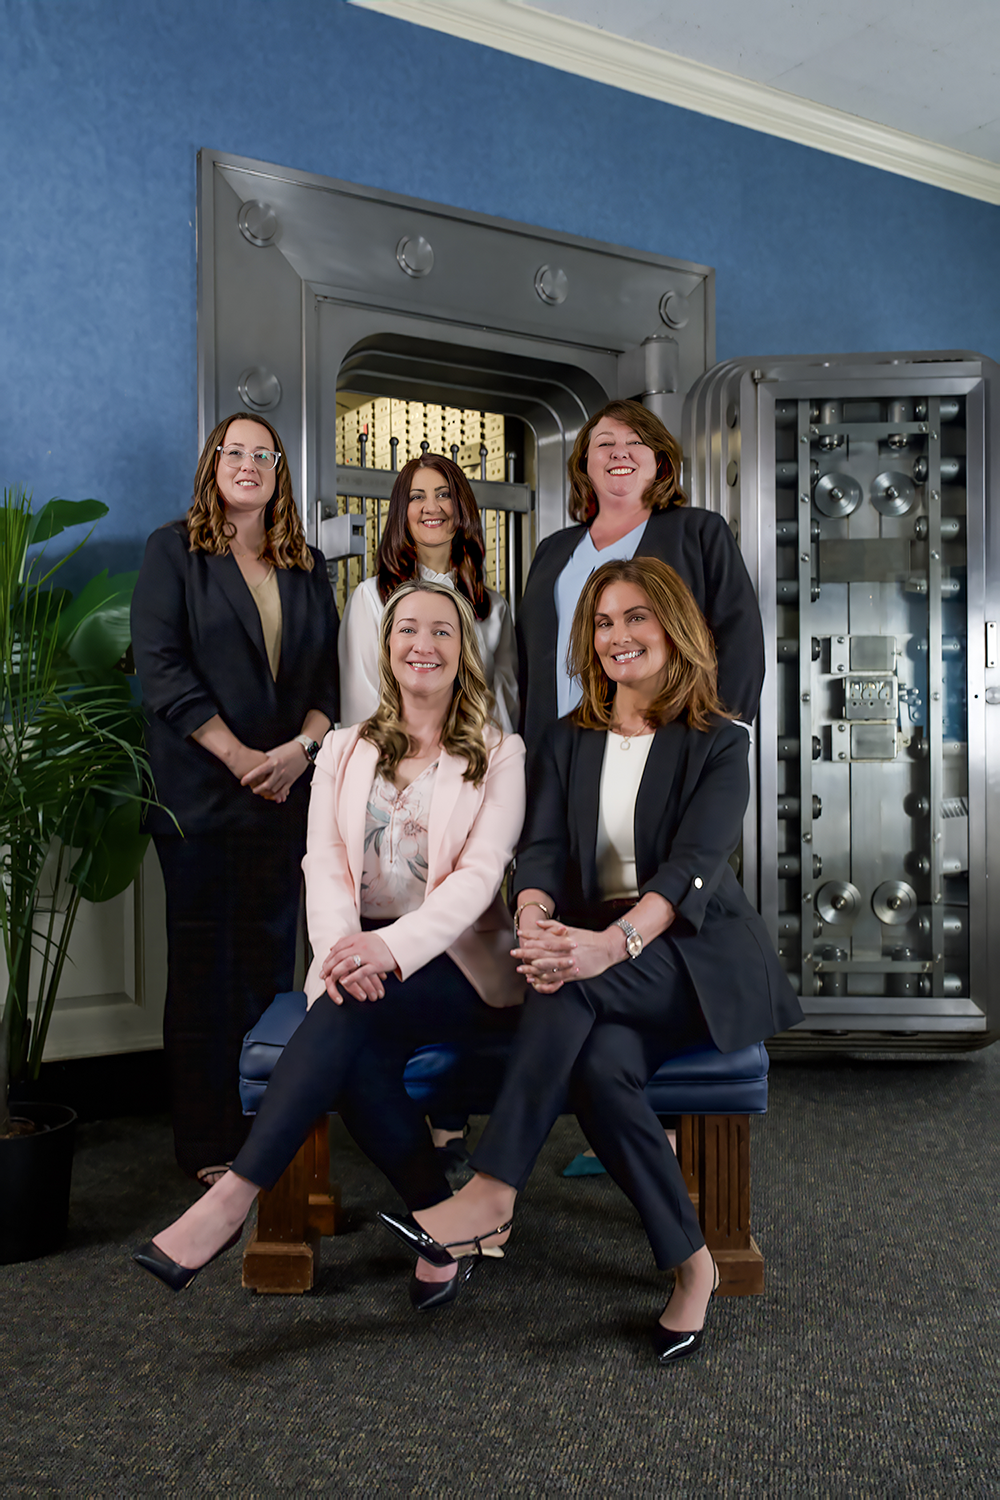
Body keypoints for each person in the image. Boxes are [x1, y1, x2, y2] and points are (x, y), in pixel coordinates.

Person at [378, 557, 802, 1361]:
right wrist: (536, 915)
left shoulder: (719, 741)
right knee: (601, 1067)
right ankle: (692, 1264)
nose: (618, 637)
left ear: (672, 628)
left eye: (637, 617)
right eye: (604, 623)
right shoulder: (566, 739)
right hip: (597, 951)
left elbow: (692, 868)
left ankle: (493, 1191)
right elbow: (538, 852)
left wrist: (609, 944)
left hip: (693, 955)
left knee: (566, 985)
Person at [133, 580, 526, 1309]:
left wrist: (385, 952)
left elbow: (477, 880)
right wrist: (344, 947)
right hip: (358, 952)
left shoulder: (500, 754)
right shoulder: (342, 749)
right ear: (387, 649)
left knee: (340, 1012)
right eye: (408, 629)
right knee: (349, 1022)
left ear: (463, 652)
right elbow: (325, 865)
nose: (423, 644)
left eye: (442, 632)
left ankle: (234, 1197)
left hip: (459, 965)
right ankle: (441, 1222)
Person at [131, 413, 340, 1185]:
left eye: (264, 454)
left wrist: (299, 753)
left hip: (287, 799)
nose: (249, 464)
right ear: (212, 464)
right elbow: (162, 673)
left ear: (280, 470)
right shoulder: (172, 551)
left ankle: (264, 1135)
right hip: (200, 803)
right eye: (235, 452)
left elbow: (328, 685)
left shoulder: (307, 565)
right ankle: (208, 1146)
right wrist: (242, 756)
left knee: (266, 973)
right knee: (204, 978)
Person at [515, 399, 764, 751]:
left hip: (662, 742)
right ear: (585, 461)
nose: (620, 453)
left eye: (636, 443)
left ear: (660, 462)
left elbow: (740, 638)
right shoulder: (552, 551)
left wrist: (723, 735)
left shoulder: (698, 533)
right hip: (553, 751)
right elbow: (527, 660)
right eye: (605, 444)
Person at [339, 453, 518, 734]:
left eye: (443, 494)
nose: (431, 507)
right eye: (417, 497)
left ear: (461, 507)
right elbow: (362, 710)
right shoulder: (371, 599)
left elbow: (505, 709)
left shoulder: (493, 607)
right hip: (398, 768)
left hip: (478, 765)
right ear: (402, 511)